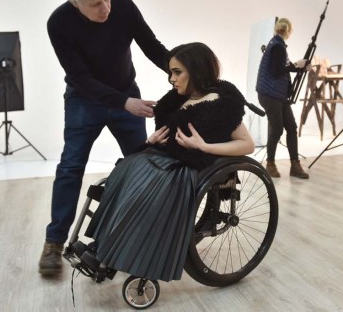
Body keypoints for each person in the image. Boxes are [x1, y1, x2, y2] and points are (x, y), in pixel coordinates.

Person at [80, 42, 255, 282]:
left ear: (197, 70)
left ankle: (109, 254)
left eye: (177, 72)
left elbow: (247, 145)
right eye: (171, 72)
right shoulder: (178, 99)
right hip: (164, 158)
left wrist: (204, 146)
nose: (171, 79)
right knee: (128, 168)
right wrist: (153, 140)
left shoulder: (219, 102)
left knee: (144, 177)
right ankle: (103, 248)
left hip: (186, 168)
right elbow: (169, 136)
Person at [39, 0, 169, 276]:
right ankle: (54, 242)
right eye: (96, 4)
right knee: (70, 166)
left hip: (125, 93)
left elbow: (152, 46)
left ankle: (146, 233)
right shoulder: (58, 23)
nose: (106, 8)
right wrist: (124, 103)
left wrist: (183, 69)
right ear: (74, 3)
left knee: (143, 167)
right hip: (85, 100)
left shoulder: (123, 6)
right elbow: (80, 78)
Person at [255, 18, 309, 179]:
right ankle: (270, 164)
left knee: (291, 127)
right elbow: (278, 70)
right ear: (288, 31)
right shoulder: (277, 46)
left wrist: (297, 67)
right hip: (270, 94)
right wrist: (297, 66)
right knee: (277, 128)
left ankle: (295, 165)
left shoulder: (276, 44)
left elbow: (280, 68)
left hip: (277, 94)